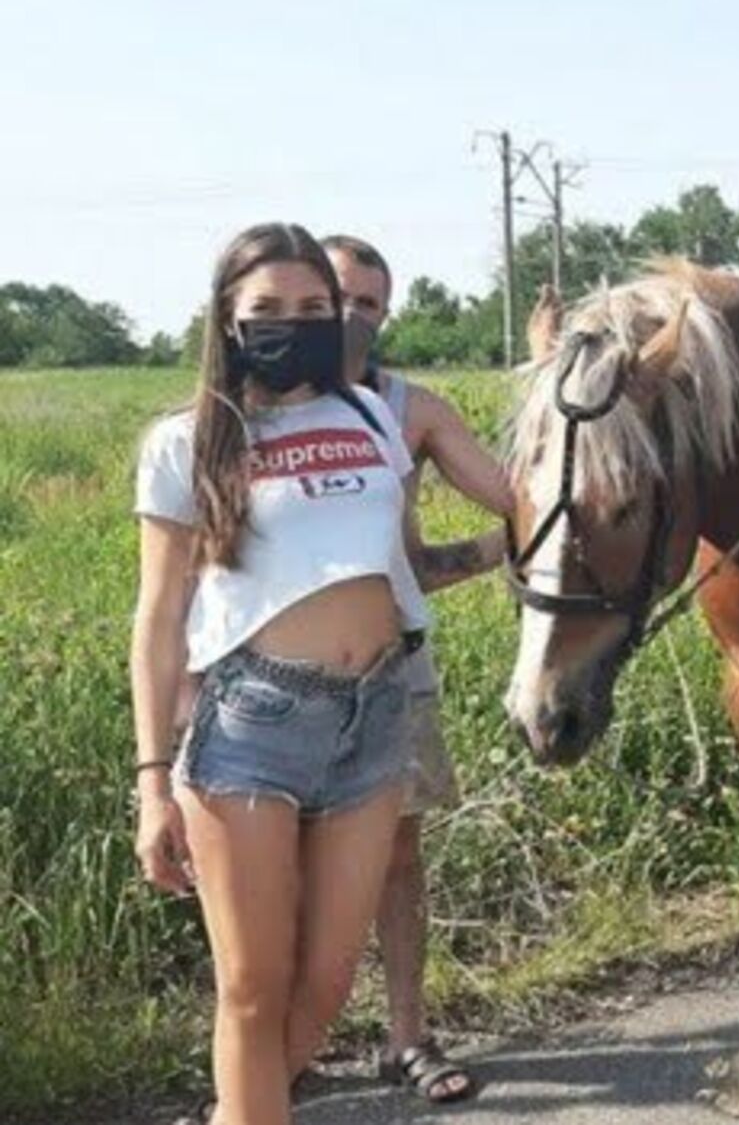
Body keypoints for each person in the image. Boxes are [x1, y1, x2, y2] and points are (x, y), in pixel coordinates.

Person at [132, 223, 430, 1125]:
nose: (291, 325)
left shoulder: (375, 415)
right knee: (254, 991)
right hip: (254, 724)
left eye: (313, 308)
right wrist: (151, 782)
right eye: (266, 309)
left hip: (375, 716)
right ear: (227, 319)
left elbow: (422, 542)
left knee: (329, 986)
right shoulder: (187, 440)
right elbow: (157, 616)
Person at [321, 234, 511, 1105]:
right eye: (336, 295)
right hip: (269, 676)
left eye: (370, 302)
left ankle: (405, 1036)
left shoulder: (413, 410)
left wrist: (511, 545)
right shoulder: (241, 410)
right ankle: (285, 1044)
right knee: (275, 862)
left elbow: (514, 500)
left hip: (394, 661)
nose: (351, 314)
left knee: (398, 854)